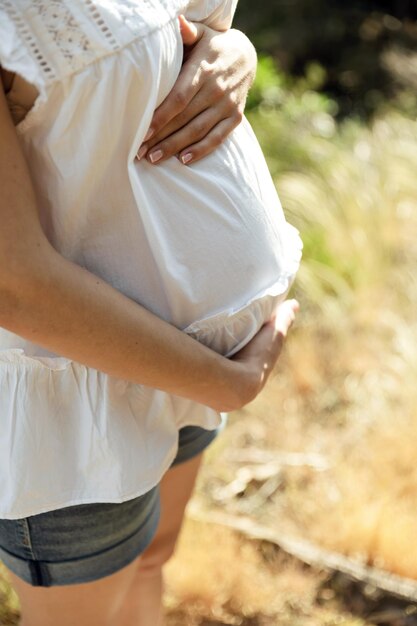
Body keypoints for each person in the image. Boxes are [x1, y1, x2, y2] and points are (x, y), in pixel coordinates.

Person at [0, 1, 301, 625]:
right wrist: (230, 383)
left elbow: (180, 31)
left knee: (152, 559)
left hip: (190, 356)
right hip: (77, 400)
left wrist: (233, 52)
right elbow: (13, 282)